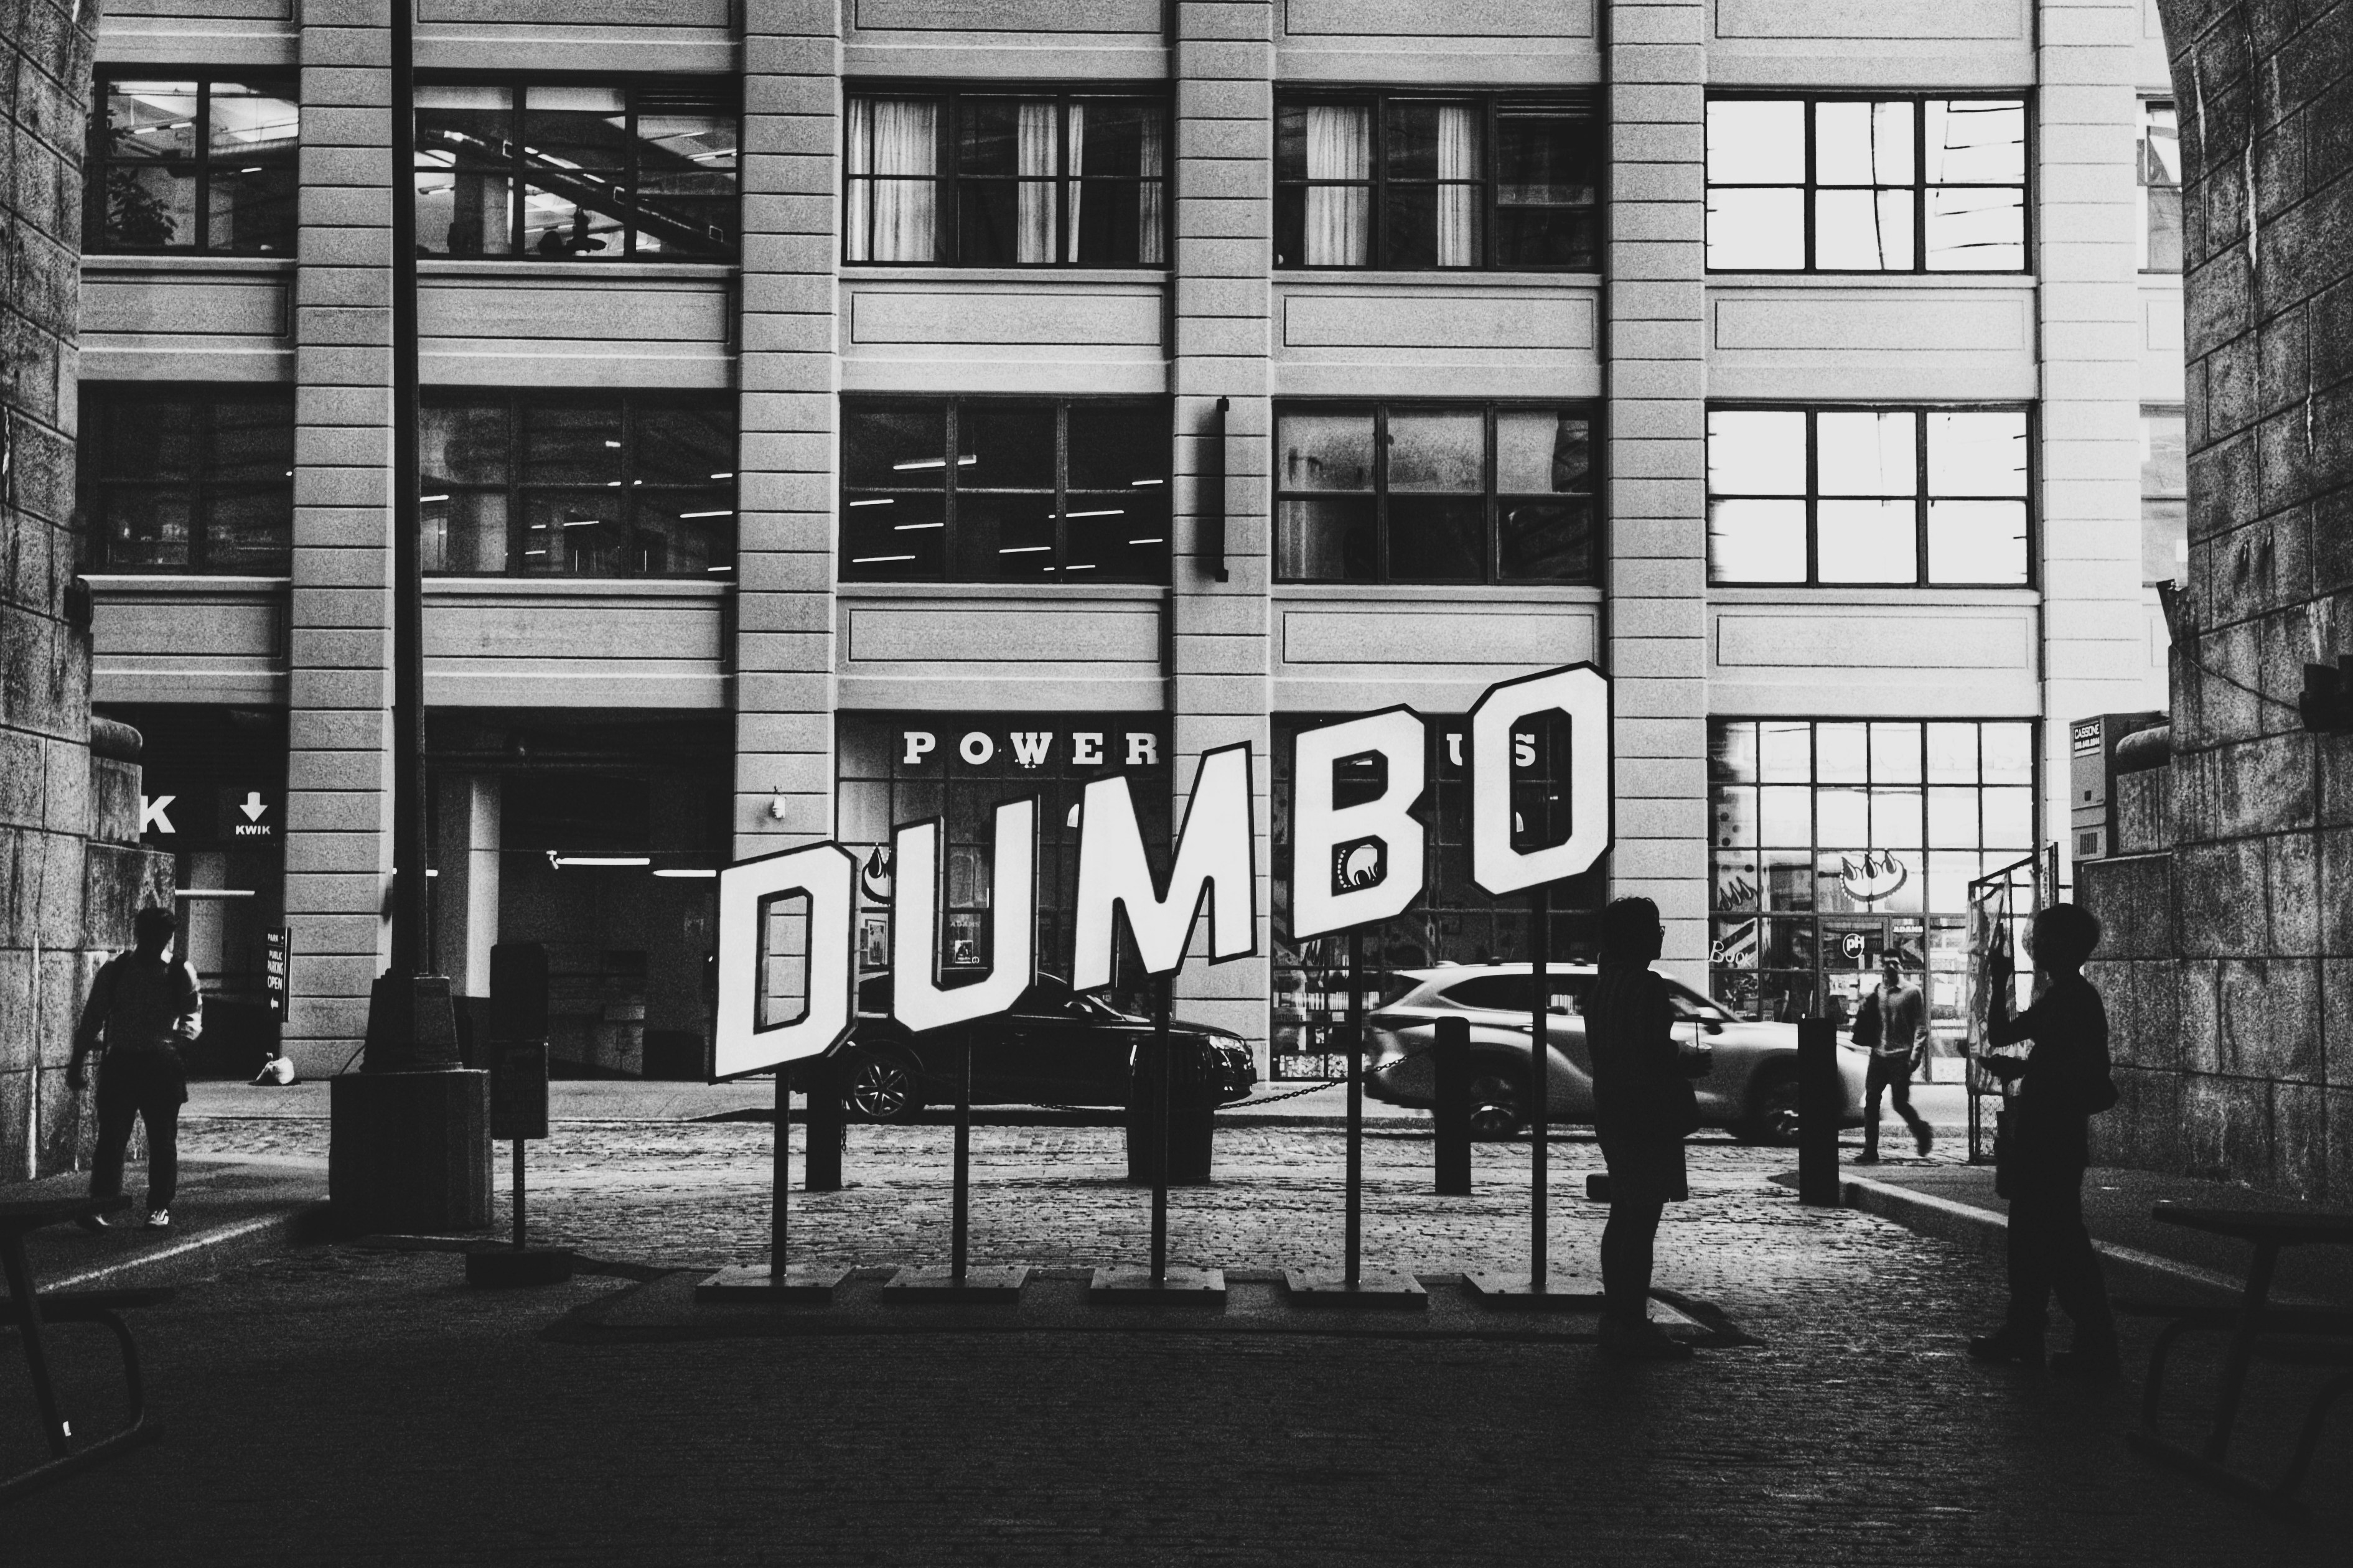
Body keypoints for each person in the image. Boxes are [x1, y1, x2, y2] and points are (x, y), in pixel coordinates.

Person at [1965, 903, 2121, 1380]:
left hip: (2051, 1133)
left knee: (2050, 1240)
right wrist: (1997, 985)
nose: (2036, 945)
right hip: (2048, 1131)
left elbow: (2060, 1062)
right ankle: (2036, 1332)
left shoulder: (2073, 1000)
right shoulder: (2065, 997)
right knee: (2039, 1238)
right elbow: (2005, 1036)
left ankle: (2080, 1338)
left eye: (2043, 938)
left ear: (2066, 946)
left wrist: (2024, 1066)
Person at [1583, 896, 1707, 1361]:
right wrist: (1689, 1059)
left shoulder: (1601, 989)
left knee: (1622, 1215)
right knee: (1642, 1221)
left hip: (1612, 1109)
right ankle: (1632, 1322)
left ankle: (1616, 1317)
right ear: (1636, 936)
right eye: (1654, 927)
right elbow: (1654, 1052)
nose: (1660, 934)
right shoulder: (1646, 987)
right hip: (1648, 1113)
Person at [65, 906, 203, 1231]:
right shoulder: (118, 970)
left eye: (164, 936)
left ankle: (158, 1205)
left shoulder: (178, 970)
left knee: (160, 1138)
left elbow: (193, 1019)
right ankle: (103, 1203)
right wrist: (77, 1058)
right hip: (127, 1059)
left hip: (153, 1061)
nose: (160, 942)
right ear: (142, 935)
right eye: (155, 935)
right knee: (113, 1137)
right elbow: (93, 1016)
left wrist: (172, 1045)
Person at [1858, 956, 1934, 1162]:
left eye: (1895, 962)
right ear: (1881, 966)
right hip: (1878, 1056)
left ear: (1901, 966)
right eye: (1886, 962)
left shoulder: (1912, 992)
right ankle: (1870, 1150)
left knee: (1899, 1103)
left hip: (1901, 1057)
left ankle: (1922, 1132)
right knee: (1872, 1101)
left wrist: (1915, 1056)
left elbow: (1921, 1026)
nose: (1890, 966)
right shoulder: (1878, 991)